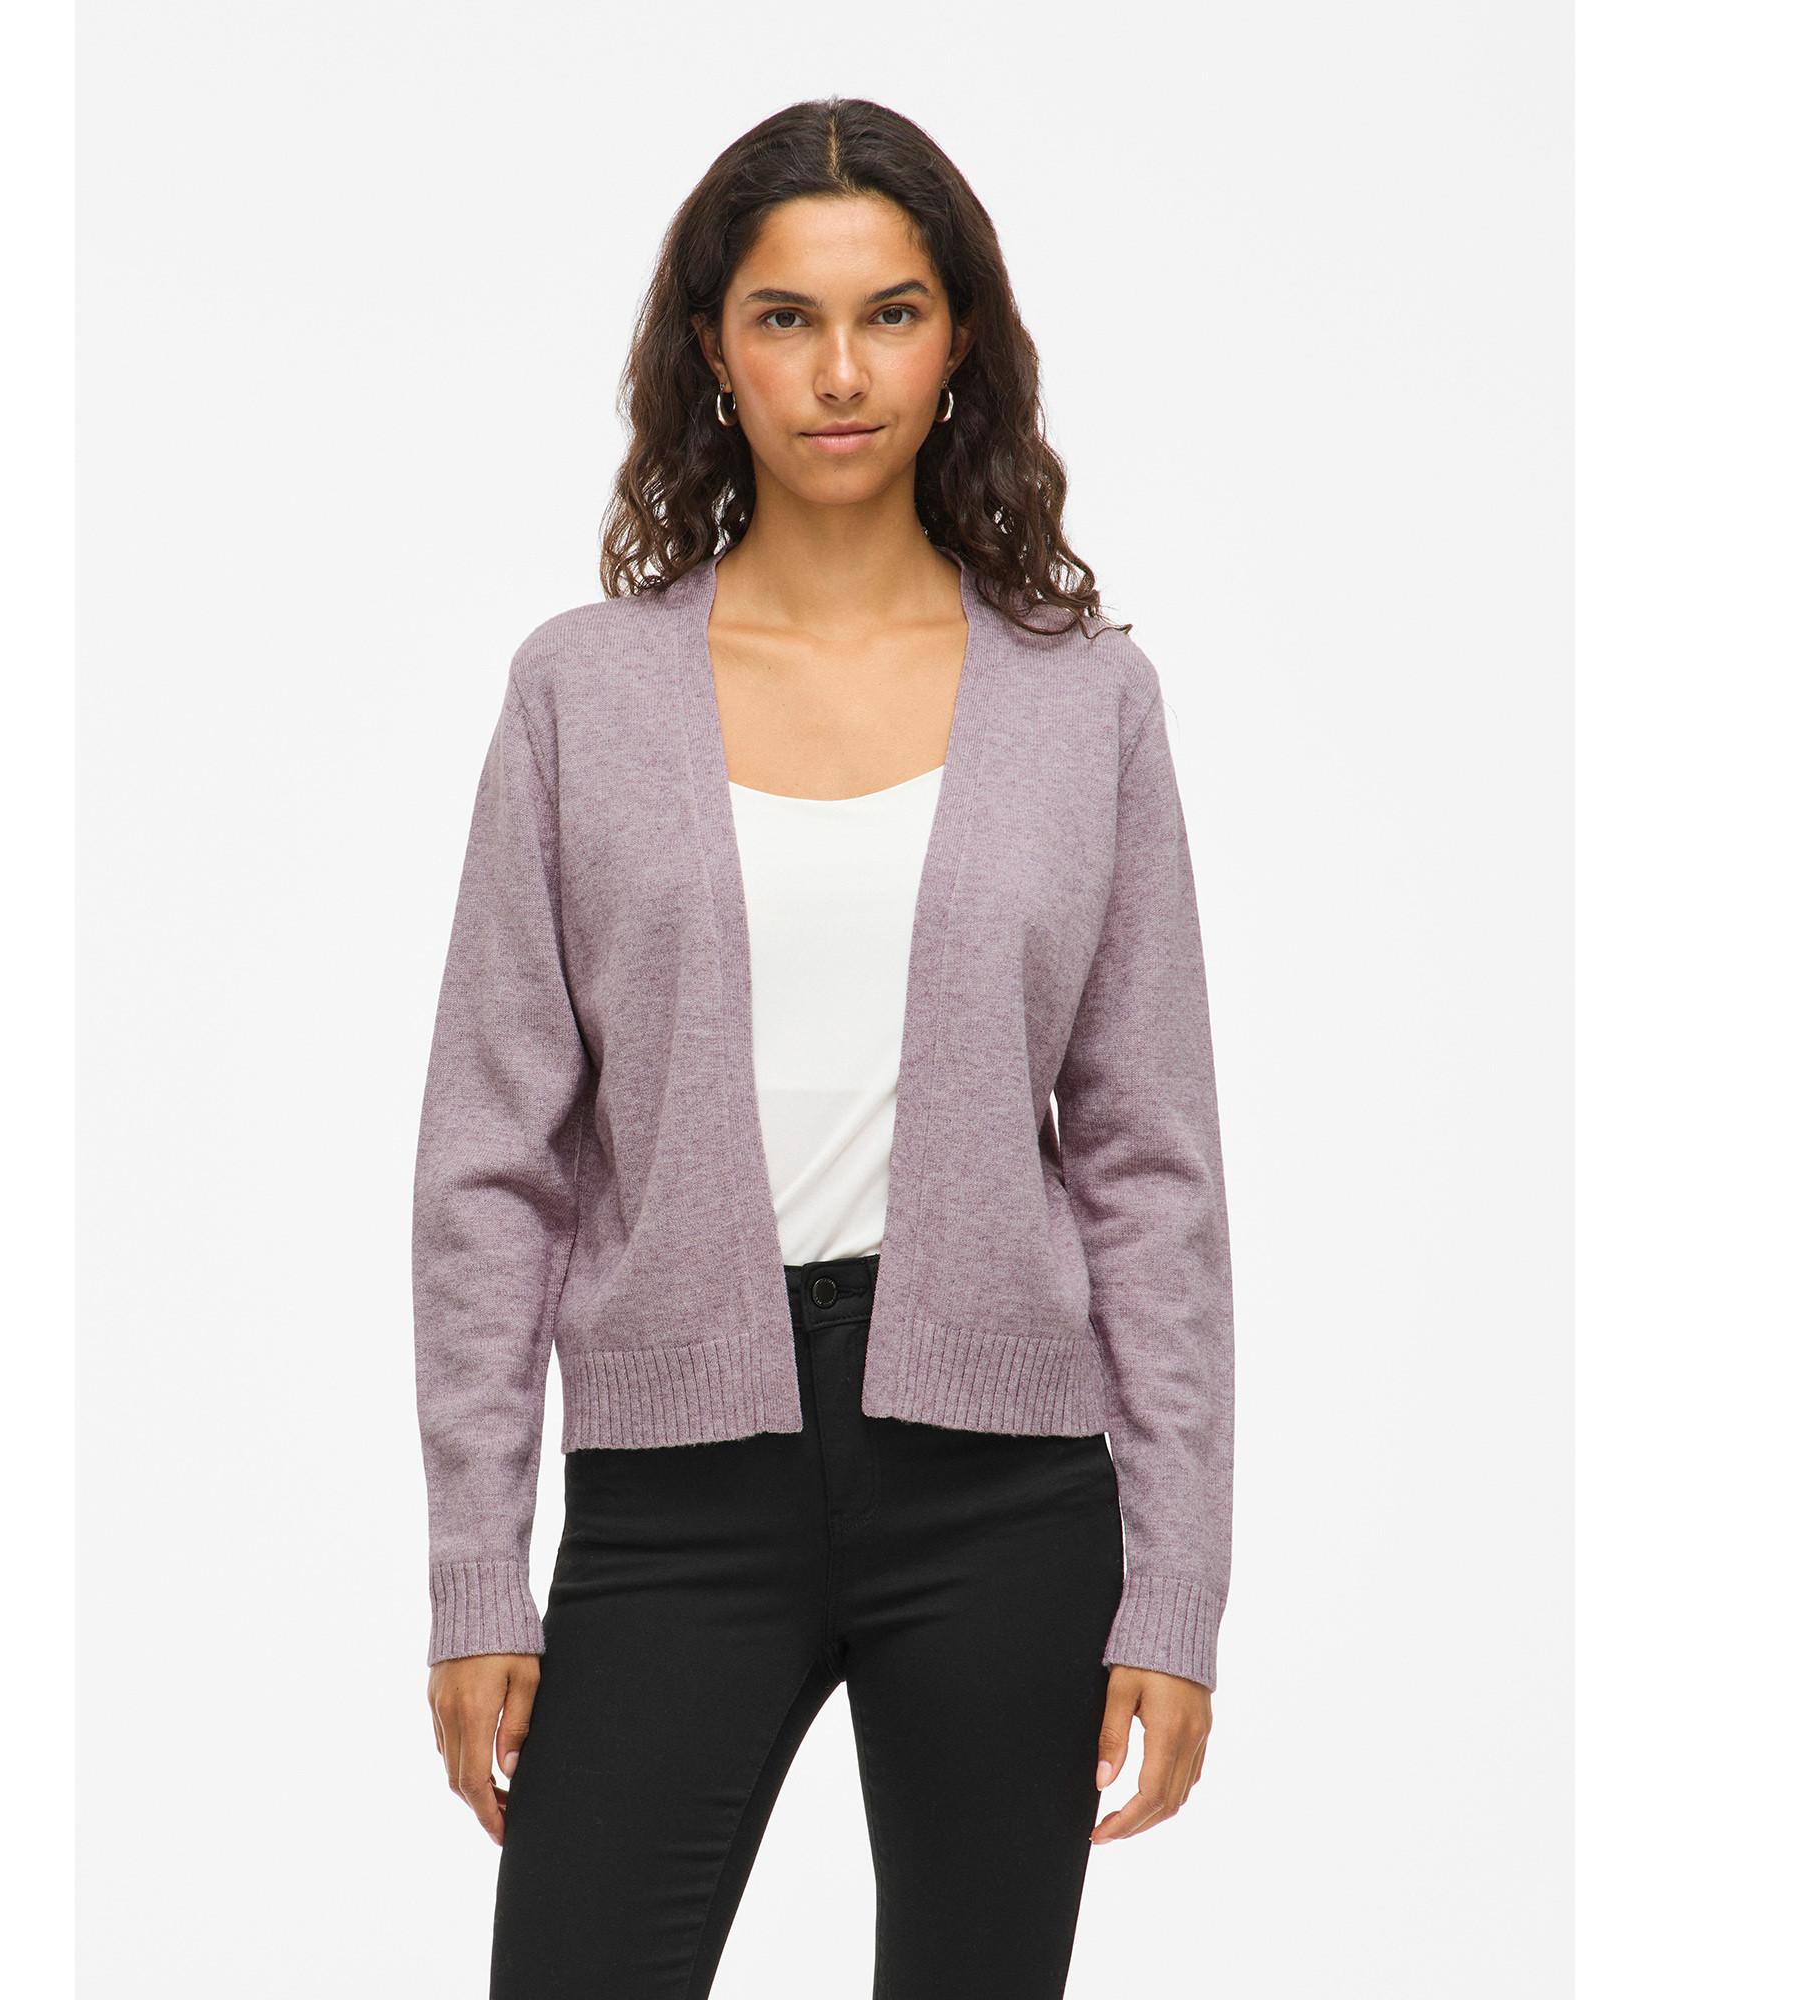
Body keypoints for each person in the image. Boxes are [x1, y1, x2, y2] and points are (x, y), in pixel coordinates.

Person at [412, 94, 1236, 1999]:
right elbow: (490, 1161)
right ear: (714, 349)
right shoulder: (581, 693)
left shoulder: (1087, 705)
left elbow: (1151, 1163)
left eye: (892, 313)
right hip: (677, 1484)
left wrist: (1176, 1584)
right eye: (786, 317)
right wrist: (476, 1565)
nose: (841, 372)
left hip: (1006, 1493)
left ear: (962, 345)